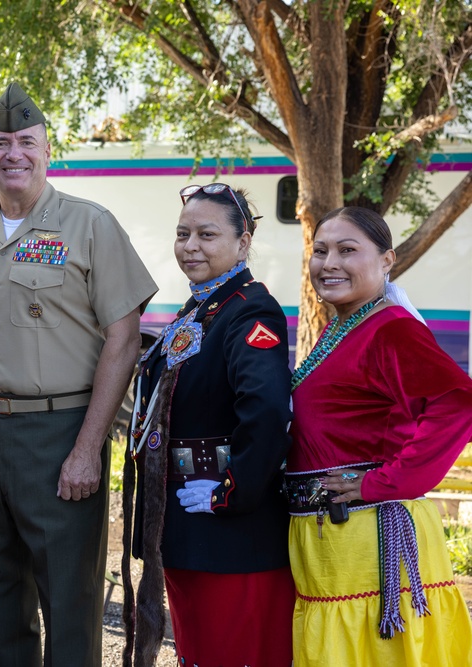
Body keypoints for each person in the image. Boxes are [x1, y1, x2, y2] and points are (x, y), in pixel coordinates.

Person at [0, 82, 157, 667]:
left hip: (61, 429)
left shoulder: (90, 225)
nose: (13, 153)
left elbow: (124, 335)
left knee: (68, 595)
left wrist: (89, 447)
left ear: (47, 151)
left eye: (26, 142)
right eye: (0, 143)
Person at [286, 206, 472, 666]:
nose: (329, 263)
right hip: (336, 536)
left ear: (387, 260)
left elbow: (456, 403)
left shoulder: (391, 328)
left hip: (369, 534)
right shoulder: (348, 323)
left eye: (348, 250)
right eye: (320, 250)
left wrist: (387, 482)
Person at [123, 184, 295, 666]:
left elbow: (264, 412)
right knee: (199, 652)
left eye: (206, 234)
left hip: (229, 530)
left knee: (233, 652)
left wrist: (231, 492)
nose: (190, 245)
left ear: (243, 243)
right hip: (185, 521)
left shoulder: (250, 309)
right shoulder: (200, 308)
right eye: (182, 234)